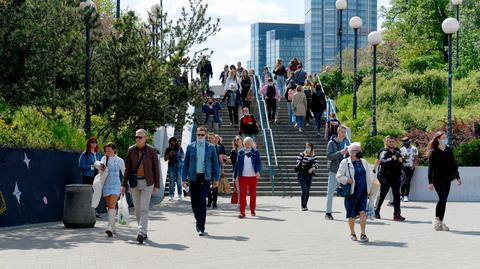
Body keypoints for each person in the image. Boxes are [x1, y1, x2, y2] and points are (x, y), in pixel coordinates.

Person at [121, 129, 160, 244]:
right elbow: (127, 169)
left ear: (145, 138)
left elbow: (156, 169)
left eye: (140, 137)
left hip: (148, 183)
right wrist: (123, 184)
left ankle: (141, 232)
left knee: (144, 208)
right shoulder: (131, 150)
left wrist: (156, 185)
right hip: (134, 183)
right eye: (136, 137)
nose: (137, 139)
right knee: (137, 209)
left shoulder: (152, 150)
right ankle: (142, 230)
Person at [182, 126, 221, 236]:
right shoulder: (190, 147)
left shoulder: (211, 147)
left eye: (202, 134)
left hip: (205, 177)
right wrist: (183, 179)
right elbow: (185, 164)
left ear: (206, 135)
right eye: (198, 134)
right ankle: (198, 219)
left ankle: (201, 227)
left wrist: (216, 179)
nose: (200, 136)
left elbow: (216, 164)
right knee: (194, 203)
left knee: (202, 202)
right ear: (196, 135)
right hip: (193, 177)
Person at [336, 142, 373, 242]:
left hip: (363, 192)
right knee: (351, 214)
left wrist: (369, 190)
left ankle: (363, 233)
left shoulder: (364, 162)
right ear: (351, 152)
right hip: (352, 193)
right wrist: (347, 180)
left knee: (362, 212)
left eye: (360, 150)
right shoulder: (345, 162)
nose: (359, 152)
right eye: (357, 151)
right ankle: (352, 233)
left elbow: (368, 177)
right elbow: (338, 176)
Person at [428, 131, 461, 231]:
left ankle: (441, 222)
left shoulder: (449, 150)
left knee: (444, 200)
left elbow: (453, 164)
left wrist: (458, 177)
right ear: (438, 139)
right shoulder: (433, 152)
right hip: (437, 178)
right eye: (443, 137)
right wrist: (430, 182)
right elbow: (430, 168)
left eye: (446, 137)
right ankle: (436, 220)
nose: (445, 139)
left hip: (447, 178)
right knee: (442, 198)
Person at [375, 136, 406, 221]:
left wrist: (401, 160)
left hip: (395, 177)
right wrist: (391, 159)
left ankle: (397, 214)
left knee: (397, 195)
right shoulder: (384, 151)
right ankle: (376, 211)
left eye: (393, 141)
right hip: (386, 177)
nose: (391, 143)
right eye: (389, 141)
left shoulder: (396, 151)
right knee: (382, 194)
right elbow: (383, 160)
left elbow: (403, 160)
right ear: (385, 142)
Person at [325, 125, 350, 220]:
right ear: (338, 132)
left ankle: (350, 212)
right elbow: (329, 156)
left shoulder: (346, 142)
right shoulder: (331, 143)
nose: (344, 134)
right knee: (330, 192)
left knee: (348, 192)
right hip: (334, 170)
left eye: (345, 132)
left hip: (345, 171)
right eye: (342, 132)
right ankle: (328, 213)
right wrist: (340, 152)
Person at [101, 143, 125, 237]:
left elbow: (124, 172)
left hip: (116, 184)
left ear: (114, 150)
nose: (108, 152)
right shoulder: (104, 158)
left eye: (110, 150)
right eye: (106, 151)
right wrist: (100, 167)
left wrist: (125, 185)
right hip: (106, 184)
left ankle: (110, 227)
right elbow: (100, 171)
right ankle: (113, 224)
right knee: (109, 206)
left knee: (112, 204)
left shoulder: (119, 160)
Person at [233, 137, 261, 218]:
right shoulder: (241, 152)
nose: (248, 144)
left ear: (252, 143)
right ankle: (242, 212)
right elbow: (237, 164)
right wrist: (235, 176)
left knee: (253, 194)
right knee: (242, 194)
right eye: (246, 142)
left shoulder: (256, 152)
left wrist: (258, 171)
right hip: (243, 176)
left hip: (253, 176)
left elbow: (258, 163)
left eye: (249, 142)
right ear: (244, 144)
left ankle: (252, 210)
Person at [295, 142, 319, 211]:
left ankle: (305, 205)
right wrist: (301, 165)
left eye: (309, 147)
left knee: (308, 190)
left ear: (311, 148)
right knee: (304, 189)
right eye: (306, 147)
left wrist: (312, 168)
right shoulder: (301, 155)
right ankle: (302, 206)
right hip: (301, 173)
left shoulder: (314, 156)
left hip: (309, 174)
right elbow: (297, 163)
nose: (308, 148)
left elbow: (317, 164)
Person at [164, 137, 184, 201]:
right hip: (171, 166)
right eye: (171, 142)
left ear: (176, 142)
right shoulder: (168, 149)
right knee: (171, 181)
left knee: (178, 181)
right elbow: (165, 159)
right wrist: (169, 154)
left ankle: (180, 195)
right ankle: (171, 195)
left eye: (173, 142)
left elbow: (183, 156)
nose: (172, 143)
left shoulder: (179, 148)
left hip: (179, 165)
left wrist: (177, 153)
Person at [400, 137, 419, 202]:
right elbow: (400, 159)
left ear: (409, 142)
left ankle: (406, 195)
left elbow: (416, 158)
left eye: (406, 143)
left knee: (407, 181)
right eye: (404, 143)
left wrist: (413, 166)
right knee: (402, 181)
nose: (405, 144)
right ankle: (401, 195)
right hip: (403, 167)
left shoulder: (414, 149)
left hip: (410, 167)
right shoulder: (401, 149)